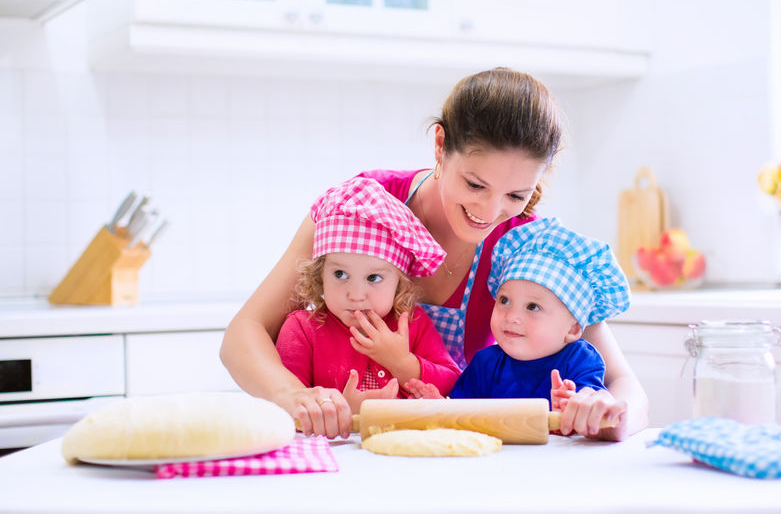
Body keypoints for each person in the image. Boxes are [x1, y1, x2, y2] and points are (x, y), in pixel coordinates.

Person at [221, 67, 649, 441]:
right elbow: (243, 335)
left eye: (516, 194)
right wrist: (296, 398)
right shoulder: (362, 205)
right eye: (475, 185)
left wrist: (611, 411)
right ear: (441, 145)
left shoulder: (528, 247)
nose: (489, 212)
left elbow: (622, 382)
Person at [404, 217, 630, 433]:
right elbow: (462, 416)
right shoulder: (486, 364)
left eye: (532, 307)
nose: (511, 316)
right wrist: (441, 407)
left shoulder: (580, 361)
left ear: (572, 329)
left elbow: (592, 409)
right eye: (504, 300)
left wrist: (574, 406)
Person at [274, 176, 461, 418]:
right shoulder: (301, 330)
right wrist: (344, 411)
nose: (356, 294)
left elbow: (453, 384)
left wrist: (403, 363)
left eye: (373, 278)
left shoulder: (413, 324)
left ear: (399, 283)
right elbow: (289, 408)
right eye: (340, 274)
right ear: (320, 275)